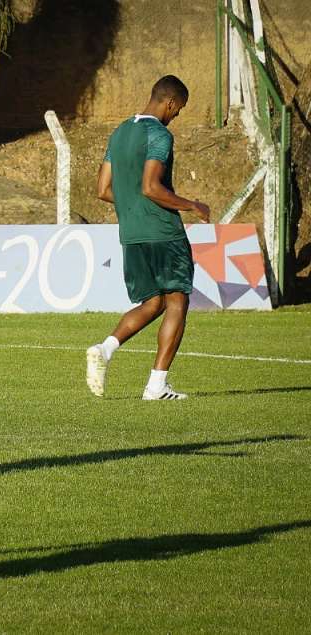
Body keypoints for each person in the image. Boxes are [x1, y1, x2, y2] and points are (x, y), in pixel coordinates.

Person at [87, 75, 210, 401]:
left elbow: (103, 190)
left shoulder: (120, 132)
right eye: (179, 110)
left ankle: (105, 348)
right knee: (177, 300)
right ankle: (156, 386)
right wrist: (192, 205)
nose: (176, 116)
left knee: (153, 302)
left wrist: (133, 205)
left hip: (131, 234)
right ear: (170, 103)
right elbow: (151, 187)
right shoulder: (159, 135)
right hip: (163, 233)